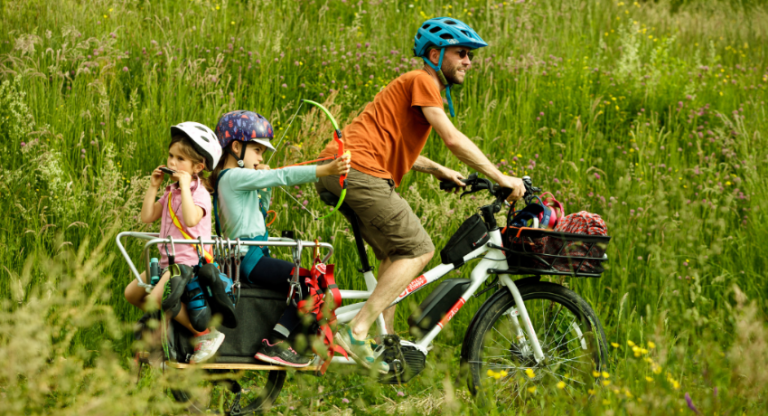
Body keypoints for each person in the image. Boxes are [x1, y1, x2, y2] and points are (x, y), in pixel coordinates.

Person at [315, 17, 527, 373]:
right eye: (461, 53)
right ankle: (357, 331)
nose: (468, 62)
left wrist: (441, 170)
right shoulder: (422, 81)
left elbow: (394, 146)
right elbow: (453, 138)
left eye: (470, 55)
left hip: (342, 169)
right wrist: (500, 176)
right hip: (360, 173)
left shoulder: (414, 87)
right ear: (435, 53)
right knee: (419, 249)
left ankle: (385, 348)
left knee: (397, 254)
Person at [211, 110, 351, 368]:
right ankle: (277, 342)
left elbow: (261, 207)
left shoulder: (236, 179)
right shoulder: (232, 177)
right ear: (236, 147)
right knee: (311, 281)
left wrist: (264, 186)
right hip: (248, 259)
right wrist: (326, 170)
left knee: (306, 284)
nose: (261, 158)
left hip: (251, 258)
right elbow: (282, 175)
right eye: (257, 150)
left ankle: (294, 341)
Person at [124, 122, 226, 364]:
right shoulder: (172, 192)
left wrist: (185, 187)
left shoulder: (199, 193)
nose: (172, 163)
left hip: (187, 262)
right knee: (131, 293)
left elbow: (191, 220)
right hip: (165, 261)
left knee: (156, 298)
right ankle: (166, 327)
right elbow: (148, 216)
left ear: (198, 167)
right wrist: (153, 186)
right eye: (171, 156)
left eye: (180, 159)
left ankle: (204, 334)